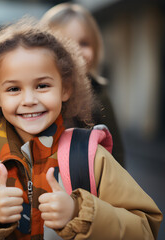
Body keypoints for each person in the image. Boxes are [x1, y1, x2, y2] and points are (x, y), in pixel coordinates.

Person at [0, 17, 162, 239]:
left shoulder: (90, 156)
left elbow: (145, 227)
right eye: (14, 89)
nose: (29, 99)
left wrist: (79, 212)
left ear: (66, 88)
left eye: (42, 85)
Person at [40, 3, 126, 167]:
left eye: (84, 43)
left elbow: (117, 155)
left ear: (96, 47)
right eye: (66, 43)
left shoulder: (99, 95)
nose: (76, 51)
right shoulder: (37, 92)